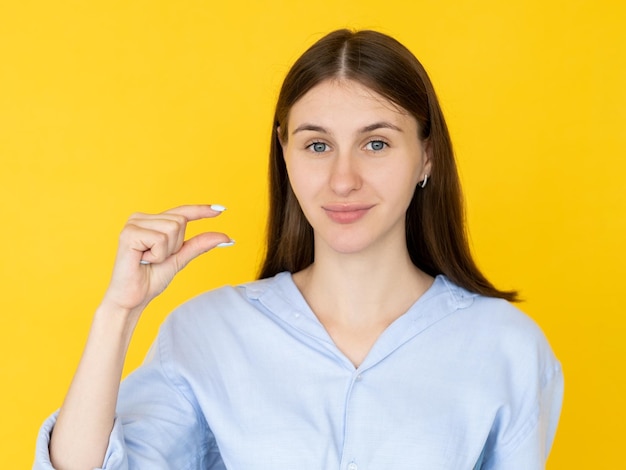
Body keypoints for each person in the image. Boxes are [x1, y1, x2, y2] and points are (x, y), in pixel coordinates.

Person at [35, 29, 563, 470]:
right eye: (317, 145)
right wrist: (119, 314)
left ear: (426, 157)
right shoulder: (206, 333)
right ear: (285, 155)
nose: (343, 179)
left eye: (376, 143)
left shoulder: (506, 346)